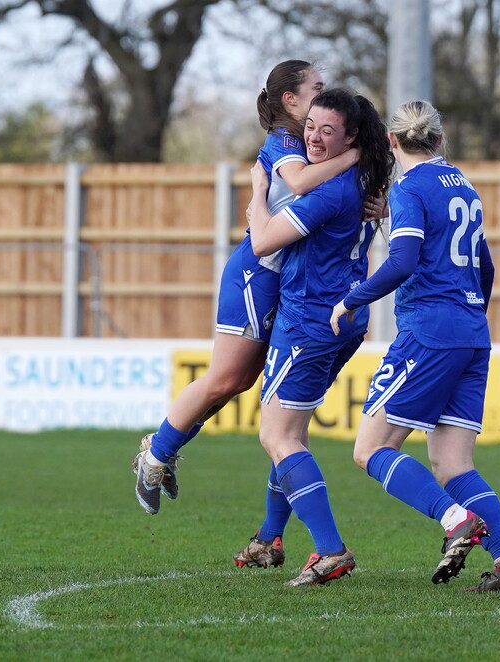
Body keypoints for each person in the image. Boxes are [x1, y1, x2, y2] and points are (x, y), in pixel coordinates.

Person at [132, 60, 360, 518]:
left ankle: (269, 536)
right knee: (227, 377)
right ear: (291, 101)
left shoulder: (314, 143)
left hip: (290, 278)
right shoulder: (285, 142)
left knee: (258, 393)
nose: (325, 92)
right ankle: (154, 455)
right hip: (258, 270)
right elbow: (296, 183)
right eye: (316, 87)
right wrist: (356, 155)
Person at [330, 100, 500, 593]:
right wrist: (469, 319)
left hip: (429, 332)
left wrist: (350, 300)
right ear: (440, 141)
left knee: (371, 448)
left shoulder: (409, 188)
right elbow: (484, 266)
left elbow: (402, 261)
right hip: (471, 333)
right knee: (452, 462)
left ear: (393, 142)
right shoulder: (464, 185)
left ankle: (454, 520)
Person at [245, 87, 394, 586]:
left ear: (351, 136)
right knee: (291, 431)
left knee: (277, 435)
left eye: (327, 131)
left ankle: (331, 550)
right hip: (341, 321)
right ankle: (268, 539)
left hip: (310, 321)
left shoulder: (329, 190)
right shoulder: (362, 178)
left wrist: (256, 197)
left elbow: (263, 239)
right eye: (310, 126)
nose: (312, 136)